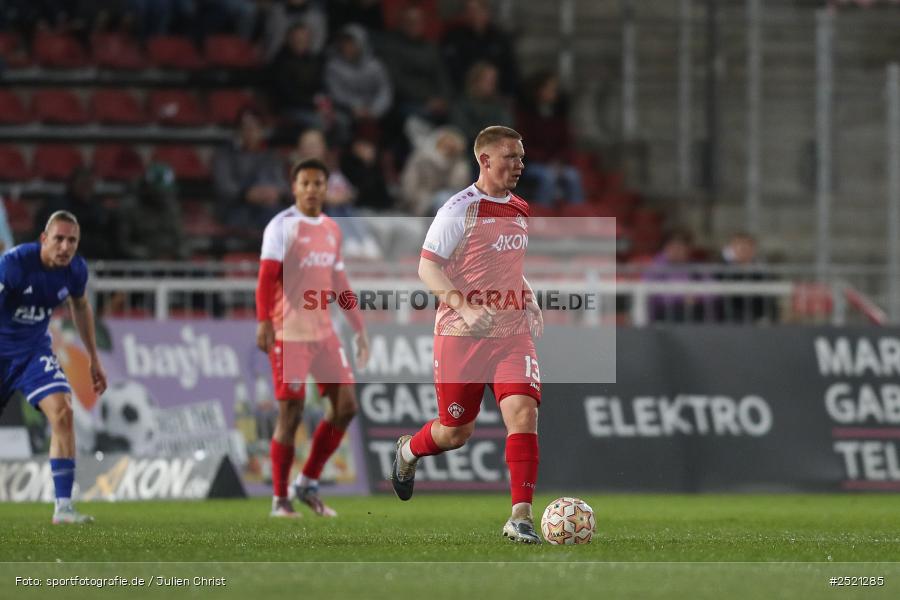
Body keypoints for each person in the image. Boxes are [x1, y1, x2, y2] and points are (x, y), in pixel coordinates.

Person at [389, 126, 545, 544]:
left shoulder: (520, 207)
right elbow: (428, 267)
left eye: (522, 156)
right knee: (455, 432)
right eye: (510, 156)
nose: (519, 164)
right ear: (485, 160)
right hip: (462, 334)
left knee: (524, 414)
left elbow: (507, 262)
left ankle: (520, 516)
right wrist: (463, 305)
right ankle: (408, 450)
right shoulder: (459, 209)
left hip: (511, 333)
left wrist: (526, 293)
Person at [256, 157, 370, 518]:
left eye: (318, 183)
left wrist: (358, 327)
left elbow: (338, 283)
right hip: (289, 333)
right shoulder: (281, 226)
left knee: (347, 406)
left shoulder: (332, 229)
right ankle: (279, 500)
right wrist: (263, 322)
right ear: (294, 188)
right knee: (291, 412)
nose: (311, 189)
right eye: (305, 183)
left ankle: (306, 482)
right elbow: (265, 278)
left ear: (327, 188)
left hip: (324, 333)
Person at [0, 210, 107, 523]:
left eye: (72, 240)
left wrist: (94, 359)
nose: (65, 247)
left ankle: (63, 508)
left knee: (63, 411)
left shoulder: (75, 271)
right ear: (43, 239)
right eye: (59, 239)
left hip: (33, 352)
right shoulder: (15, 264)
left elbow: (81, 306)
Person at [212, 108, 290, 234]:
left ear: (261, 130)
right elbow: (224, 186)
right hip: (237, 208)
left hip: (269, 207)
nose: (250, 132)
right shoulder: (225, 155)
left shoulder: (272, 155)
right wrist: (246, 194)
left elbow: (282, 183)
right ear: (238, 131)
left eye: (255, 128)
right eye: (246, 128)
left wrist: (274, 192)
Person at [515, 71, 585, 206]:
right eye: (549, 89)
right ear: (538, 91)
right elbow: (523, 146)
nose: (554, 93)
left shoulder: (559, 115)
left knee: (573, 176)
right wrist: (547, 161)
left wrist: (559, 161)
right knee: (548, 176)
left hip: (557, 163)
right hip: (532, 164)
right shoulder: (525, 116)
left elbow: (567, 144)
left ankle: (577, 217)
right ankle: (543, 214)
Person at [399, 125, 471, 216]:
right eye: (445, 144)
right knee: (443, 199)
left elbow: (458, 187)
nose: (448, 148)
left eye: (452, 146)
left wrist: (460, 164)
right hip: (423, 202)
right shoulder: (421, 159)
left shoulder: (457, 163)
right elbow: (409, 186)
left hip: (448, 201)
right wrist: (422, 200)